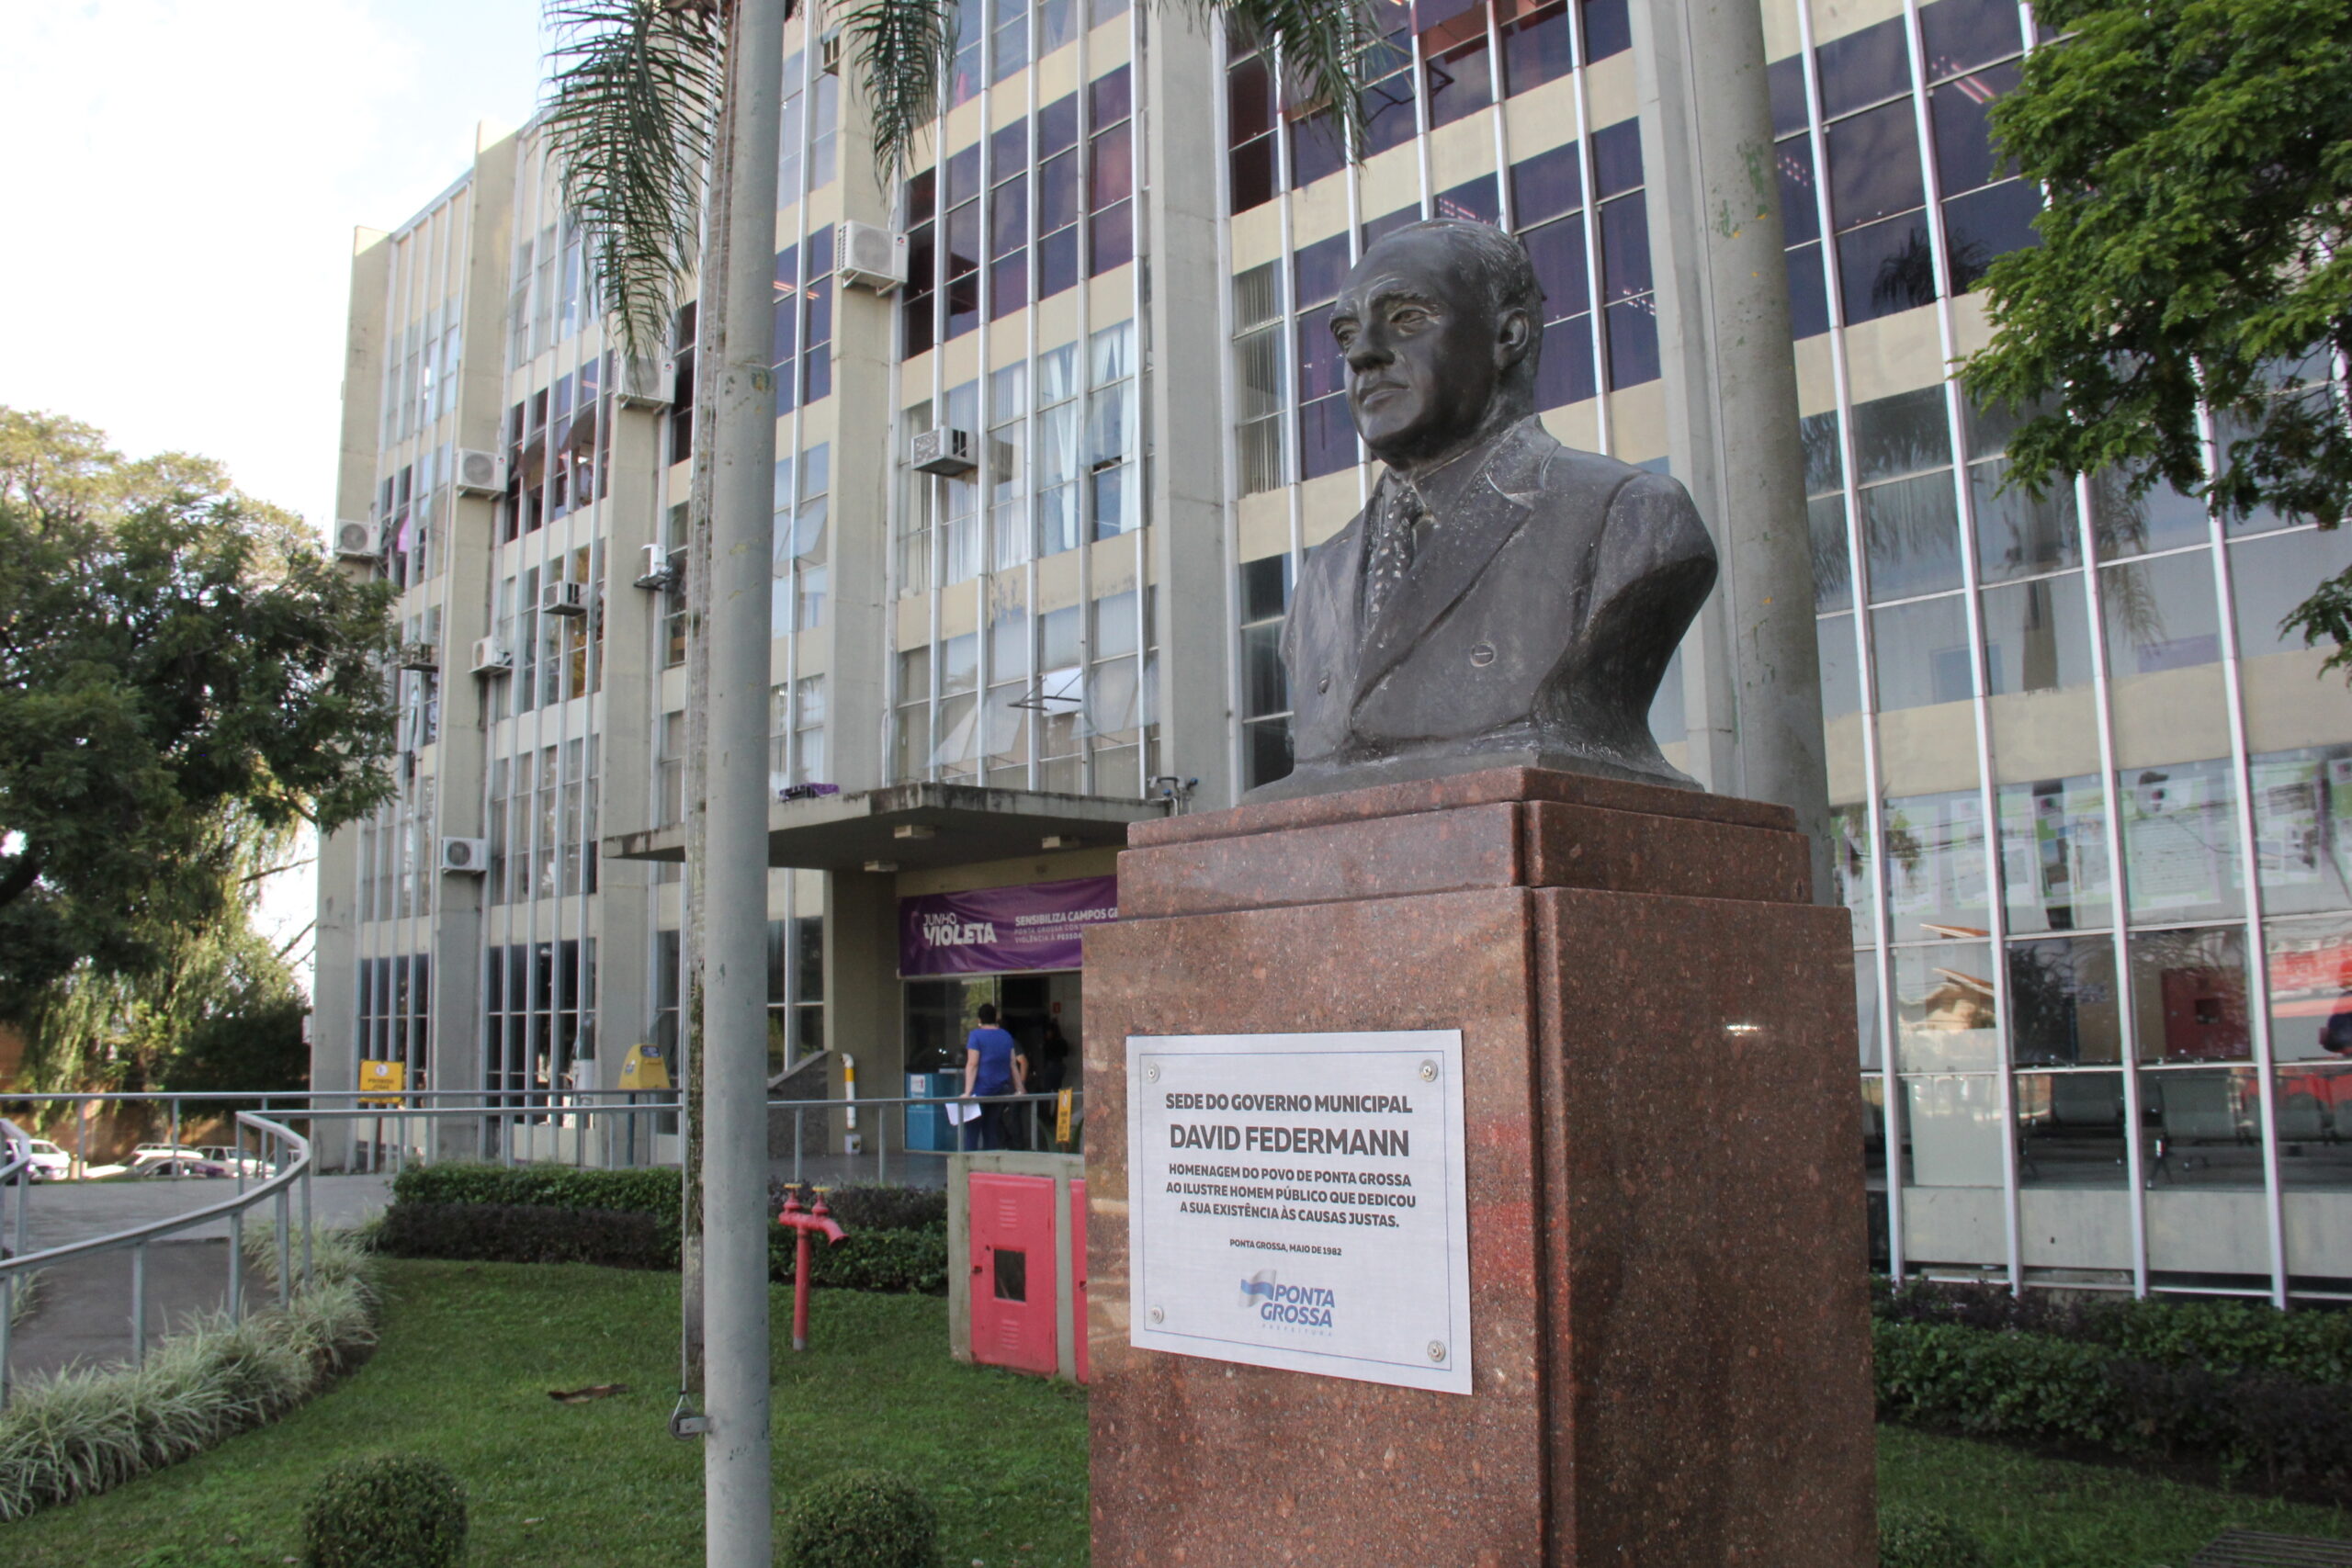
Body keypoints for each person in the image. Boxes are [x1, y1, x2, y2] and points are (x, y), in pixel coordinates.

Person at [1249, 220, 1718, 803]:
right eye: (1347, 335)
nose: (1364, 354)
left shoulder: (1631, 517)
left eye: (1408, 319)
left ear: (1509, 337)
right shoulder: (1324, 571)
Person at [961, 1002, 1024, 1152]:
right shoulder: (1006, 1036)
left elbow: (973, 1064)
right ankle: (988, 1169)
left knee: (972, 1132)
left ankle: (970, 1168)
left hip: (980, 1090)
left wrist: (967, 1092)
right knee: (991, 1130)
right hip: (1000, 1090)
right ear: (995, 1018)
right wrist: (1020, 1088)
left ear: (979, 1020)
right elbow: (1013, 1064)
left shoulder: (975, 1035)